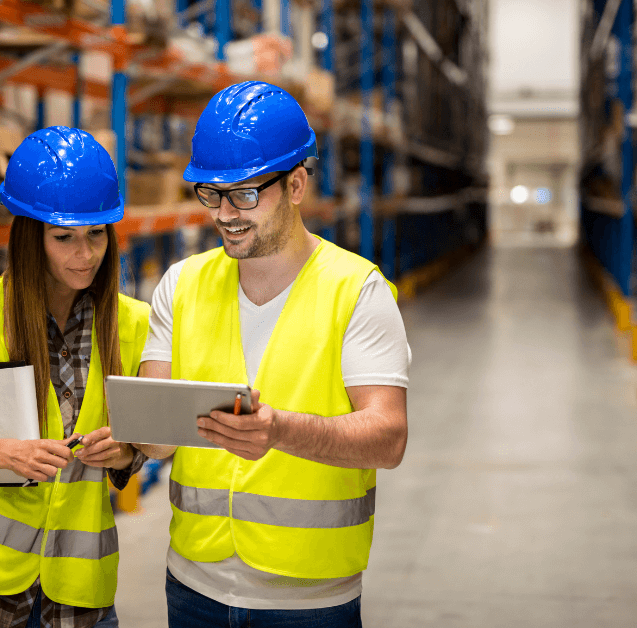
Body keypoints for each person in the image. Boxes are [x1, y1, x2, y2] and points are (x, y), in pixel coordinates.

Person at [139, 81, 411, 627]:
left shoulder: (357, 290)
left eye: (244, 194)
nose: (225, 213)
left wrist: (281, 430)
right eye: (211, 193)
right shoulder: (181, 284)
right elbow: (155, 439)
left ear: (295, 185)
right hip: (194, 585)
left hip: (309, 600)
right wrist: (126, 433)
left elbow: (388, 437)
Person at [0, 127, 150, 628]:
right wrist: (5, 452)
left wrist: (126, 453)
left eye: (97, 235)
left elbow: (141, 447)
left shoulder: (133, 326)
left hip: (78, 595)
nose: (84, 255)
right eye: (63, 238)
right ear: (31, 237)